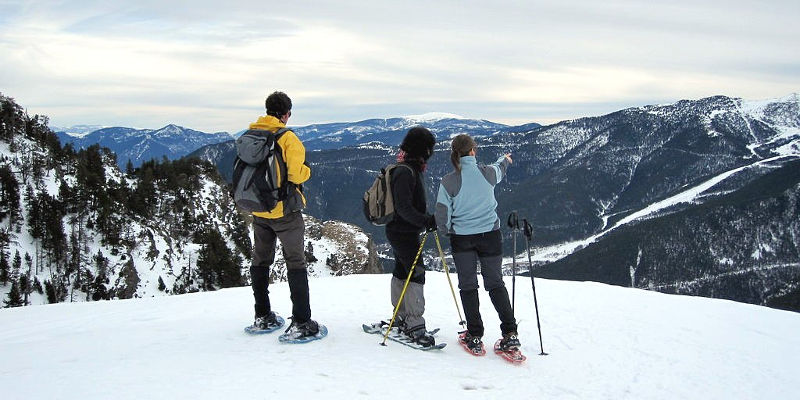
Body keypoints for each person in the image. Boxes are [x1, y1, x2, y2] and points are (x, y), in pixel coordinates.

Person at [434, 134, 519, 354]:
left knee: (468, 285)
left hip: (462, 239)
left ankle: (474, 334)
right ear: (473, 151)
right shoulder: (488, 173)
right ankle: (510, 334)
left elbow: (442, 214)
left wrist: (447, 231)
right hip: (490, 235)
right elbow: (500, 167)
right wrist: (505, 159)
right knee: (495, 283)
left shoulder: (448, 181)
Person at [247, 91, 320, 340]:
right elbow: (296, 175)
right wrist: (308, 171)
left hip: (258, 208)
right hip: (284, 211)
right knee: (296, 263)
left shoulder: (251, 135)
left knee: (260, 261)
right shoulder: (288, 138)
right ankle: (301, 321)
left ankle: (262, 315)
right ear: (286, 114)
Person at [385, 126, 438, 347]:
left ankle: (401, 317)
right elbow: (404, 208)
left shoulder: (406, 168)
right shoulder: (406, 172)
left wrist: (423, 220)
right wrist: (426, 220)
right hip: (404, 232)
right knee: (416, 273)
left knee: (402, 271)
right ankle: (414, 324)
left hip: (399, 231)